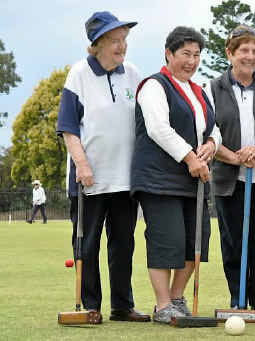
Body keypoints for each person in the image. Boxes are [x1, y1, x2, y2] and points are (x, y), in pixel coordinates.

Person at [57, 11, 150, 323]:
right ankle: (91, 305)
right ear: (96, 45)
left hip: (125, 179)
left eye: (123, 40)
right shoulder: (78, 75)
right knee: (87, 243)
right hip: (89, 179)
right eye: (114, 41)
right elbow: (69, 129)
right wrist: (82, 165)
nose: (121, 46)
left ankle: (122, 305)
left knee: (123, 245)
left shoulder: (133, 73)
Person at [131, 26, 221, 324]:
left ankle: (177, 298)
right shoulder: (153, 86)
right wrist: (190, 157)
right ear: (168, 53)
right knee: (166, 242)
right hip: (160, 180)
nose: (191, 61)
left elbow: (214, 128)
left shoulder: (199, 91)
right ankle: (162, 305)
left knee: (195, 243)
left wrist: (210, 145)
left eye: (196, 55)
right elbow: (158, 128)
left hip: (193, 181)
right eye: (185, 54)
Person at [206, 25, 255, 311]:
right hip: (229, 179)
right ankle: (238, 299)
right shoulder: (213, 88)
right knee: (233, 243)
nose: (250, 56)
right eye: (243, 51)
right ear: (230, 53)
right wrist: (235, 157)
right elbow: (209, 134)